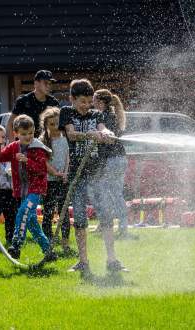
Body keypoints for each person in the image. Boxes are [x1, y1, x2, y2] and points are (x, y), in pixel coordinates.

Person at [59, 79, 127, 276]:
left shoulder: (96, 113)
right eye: (81, 101)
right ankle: (83, 261)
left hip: (98, 175)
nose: (86, 106)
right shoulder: (66, 113)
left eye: (89, 101)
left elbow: (102, 127)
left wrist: (106, 133)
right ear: (72, 99)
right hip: (77, 175)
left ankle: (112, 260)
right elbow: (71, 135)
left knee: (105, 216)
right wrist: (90, 135)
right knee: (80, 219)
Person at [0, 114, 57, 262]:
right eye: (23, 134)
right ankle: (49, 251)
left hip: (35, 190)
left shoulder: (38, 148)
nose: (28, 137)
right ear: (15, 134)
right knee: (32, 223)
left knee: (22, 212)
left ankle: (16, 245)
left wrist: (27, 161)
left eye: (31, 133)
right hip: (22, 191)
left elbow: (41, 170)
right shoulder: (14, 147)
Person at [92, 89, 133, 238]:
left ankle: (113, 227)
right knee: (114, 194)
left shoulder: (102, 116)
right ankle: (119, 227)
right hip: (120, 159)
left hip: (111, 160)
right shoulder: (113, 115)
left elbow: (105, 139)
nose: (92, 103)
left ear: (101, 102)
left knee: (106, 194)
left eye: (94, 100)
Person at [39, 107, 73, 253]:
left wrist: (65, 173)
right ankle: (48, 244)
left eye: (57, 124)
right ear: (46, 125)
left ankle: (65, 244)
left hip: (63, 180)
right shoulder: (43, 140)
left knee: (64, 212)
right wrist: (55, 173)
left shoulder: (65, 138)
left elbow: (67, 157)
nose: (54, 127)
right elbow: (43, 162)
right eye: (51, 124)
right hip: (49, 180)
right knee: (48, 212)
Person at [6, 70, 60, 140]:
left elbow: (59, 125)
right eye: (46, 83)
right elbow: (10, 124)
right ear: (36, 83)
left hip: (46, 144)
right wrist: (13, 144)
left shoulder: (53, 102)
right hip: (25, 143)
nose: (48, 86)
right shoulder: (23, 101)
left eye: (50, 84)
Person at [0, 124, 19, 245]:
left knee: (11, 215)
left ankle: (10, 238)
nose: (1, 140)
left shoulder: (8, 150)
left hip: (10, 188)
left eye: (3, 137)